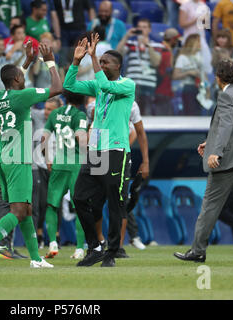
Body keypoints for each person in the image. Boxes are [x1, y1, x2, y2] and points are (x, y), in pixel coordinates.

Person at [0, 41, 62, 269]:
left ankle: (36, 259)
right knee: (18, 211)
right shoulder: (23, 97)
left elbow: (15, 79)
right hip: (19, 159)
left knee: (26, 209)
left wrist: (28, 61)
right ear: (19, 81)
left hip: (2, 157)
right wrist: (49, 60)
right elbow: (57, 88)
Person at [174, 59, 233, 264]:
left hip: (229, 161)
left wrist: (217, 151)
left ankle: (197, 250)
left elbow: (226, 125)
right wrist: (211, 142)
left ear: (219, 77)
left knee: (210, 206)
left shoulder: (226, 95)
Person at [63, 34, 135, 268]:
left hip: (115, 149)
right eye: (100, 61)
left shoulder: (127, 85)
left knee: (114, 203)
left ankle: (112, 253)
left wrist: (93, 57)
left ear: (118, 66)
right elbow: (69, 86)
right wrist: (76, 62)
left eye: (106, 62)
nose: (102, 65)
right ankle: (95, 246)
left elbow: (104, 84)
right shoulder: (98, 84)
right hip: (96, 148)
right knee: (80, 197)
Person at [92, 100, 149, 257]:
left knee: (120, 202)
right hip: (98, 156)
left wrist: (124, 149)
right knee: (95, 201)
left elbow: (137, 132)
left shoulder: (130, 103)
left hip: (120, 157)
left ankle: (117, 246)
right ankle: (99, 242)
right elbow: (93, 129)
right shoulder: (97, 100)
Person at [42, 89, 88, 260]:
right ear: (82, 98)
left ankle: (52, 242)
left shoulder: (54, 114)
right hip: (76, 166)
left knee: (52, 205)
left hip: (59, 163)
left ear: (65, 98)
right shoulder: (80, 116)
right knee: (81, 207)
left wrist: (48, 158)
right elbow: (79, 138)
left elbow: (43, 138)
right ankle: (79, 249)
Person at [0, 107, 27, 259]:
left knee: (13, 203)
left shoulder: (18, 107)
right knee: (4, 202)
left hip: (12, 157)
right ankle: (1, 245)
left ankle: (7, 245)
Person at [117, 18, 162, 116]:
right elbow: (118, 55)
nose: (142, 30)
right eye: (139, 27)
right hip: (132, 84)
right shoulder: (130, 44)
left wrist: (148, 45)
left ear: (149, 30)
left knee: (147, 114)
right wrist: (126, 37)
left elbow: (156, 62)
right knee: (130, 114)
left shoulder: (156, 45)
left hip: (148, 85)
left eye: (144, 27)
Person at [31, 96, 60, 249]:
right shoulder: (38, 117)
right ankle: (40, 235)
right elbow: (26, 106)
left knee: (57, 203)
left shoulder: (63, 121)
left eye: (50, 109)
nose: (46, 112)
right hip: (41, 166)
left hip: (58, 167)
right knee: (41, 203)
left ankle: (56, 236)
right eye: (45, 108)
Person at [49, 0, 96, 68]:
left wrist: (92, 29)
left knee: (79, 54)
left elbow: (90, 9)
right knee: (63, 57)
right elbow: (54, 14)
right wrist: (57, 36)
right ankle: (64, 75)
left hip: (79, 30)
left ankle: (79, 73)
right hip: (63, 31)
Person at [172, 33, 210, 115]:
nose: (200, 44)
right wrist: (188, 72)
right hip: (188, 88)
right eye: (198, 42)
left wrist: (208, 89)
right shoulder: (182, 57)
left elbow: (204, 75)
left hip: (200, 88)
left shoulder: (199, 57)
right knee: (191, 112)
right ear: (193, 43)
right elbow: (175, 75)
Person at [178, 0, 212, 75]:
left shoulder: (204, 6)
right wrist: (196, 20)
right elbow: (182, 24)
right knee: (188, 62)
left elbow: (206, 25)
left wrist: (204, 19)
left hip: (200, 38)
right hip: (189, 38)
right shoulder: (185, 5)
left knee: (205, 62)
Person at [154, 28, 181, 115]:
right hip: (162, 91)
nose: (177, 43)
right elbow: (169, 71)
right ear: (173, 39)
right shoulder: (166, 52)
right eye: (176, 40)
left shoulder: (162, 49)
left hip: (162, 91)